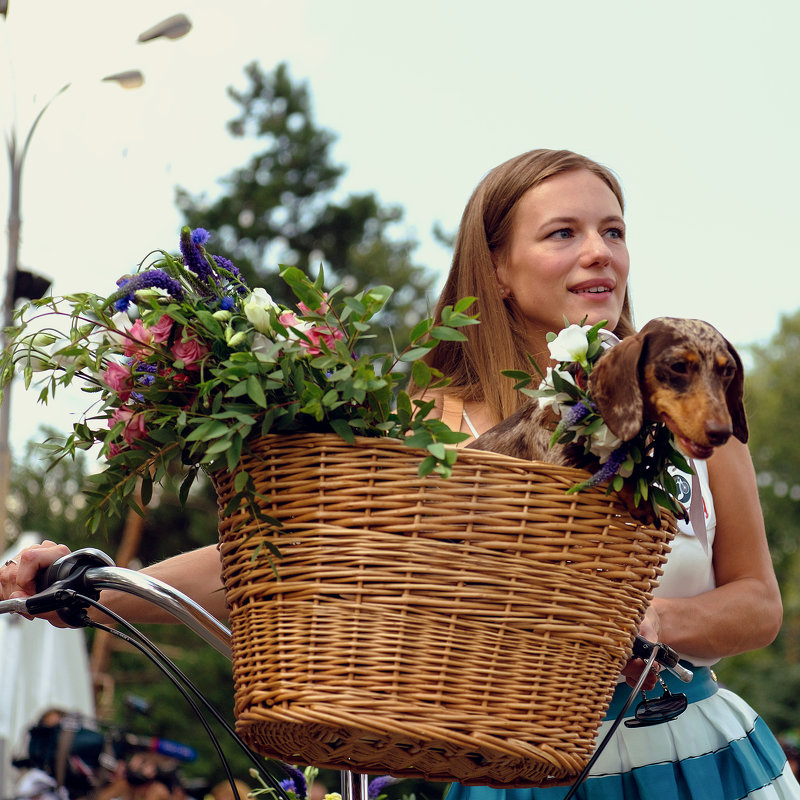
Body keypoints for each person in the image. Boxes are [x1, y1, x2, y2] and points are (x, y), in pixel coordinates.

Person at [0, 148, 795, 798]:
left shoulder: (692, 406)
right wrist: (101, 584)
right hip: (511, 773)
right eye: (563, 233)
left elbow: (757, 604)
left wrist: (641, 621)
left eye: (613, 230)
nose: (599, 252)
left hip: (695, 764)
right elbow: (295, 562)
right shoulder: (439, 423)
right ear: (501, 269)